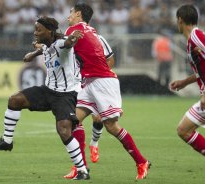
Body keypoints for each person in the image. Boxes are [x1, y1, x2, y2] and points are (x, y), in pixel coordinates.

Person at [0, 16, 90, 180]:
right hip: (48, 90)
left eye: (38, 30)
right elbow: (45, 48)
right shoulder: (47, 44)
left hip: (66, 94)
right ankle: (7, 141)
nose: (35, 33)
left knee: (63, 130)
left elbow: (68, 43)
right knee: (15, 100)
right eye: (35, 29)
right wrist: (33, 54)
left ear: (49, 31)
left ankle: (82, 170)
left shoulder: (61, 43)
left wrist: (74, 37)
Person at [64, 3, 150, 180]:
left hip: (103, 81)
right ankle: (81, 168)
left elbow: (60, 44)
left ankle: (141, 162)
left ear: (78, 14)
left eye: (71, 12)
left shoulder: (74, 30)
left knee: (111, 126)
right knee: (72, 122)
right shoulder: (91, 30)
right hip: (89, 82)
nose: (68, 16)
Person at [64, 34, 115, 179]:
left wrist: (99, 75)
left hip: (97, 82)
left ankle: (94, 143)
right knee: (74, 119)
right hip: (78, 84)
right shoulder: (71, 39)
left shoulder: (98, 38)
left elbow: (110, 59)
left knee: (98, 118)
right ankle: (80, 166)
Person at [169, 4, 205, 159]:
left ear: (180, 20)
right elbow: (202, 70)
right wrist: (184, 82)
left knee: (184, 130)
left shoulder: (196, 36)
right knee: (184, 130)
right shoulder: (192, 39)